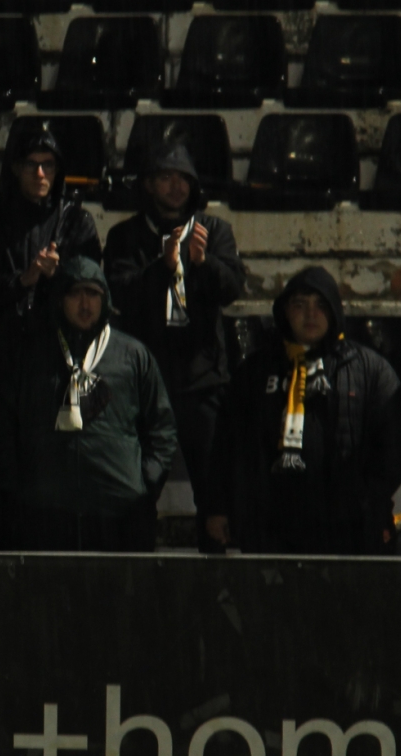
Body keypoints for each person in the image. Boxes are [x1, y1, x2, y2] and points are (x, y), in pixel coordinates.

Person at [205, 267, 401, 555]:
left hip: (347, 529)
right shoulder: (254, 373)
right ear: (284, 313)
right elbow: (226, 446)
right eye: (300, 305)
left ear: (334, 312)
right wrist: (220, 507)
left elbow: (396, 450)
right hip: (270, 527)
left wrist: (365, 502)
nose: (310, 314)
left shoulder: (371, 371)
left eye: (320, 305)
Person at [0, 123, 101, 547]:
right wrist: (24, 279)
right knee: (3, 470)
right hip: (2, 362)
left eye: (48, 166)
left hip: (54, 366)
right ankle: (2, 559)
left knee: (50, 467)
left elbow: (94, 290)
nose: (41, 174)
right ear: (15, 168)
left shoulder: (76, 221)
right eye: (31, 165)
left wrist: (60, 281)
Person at [0, 257, 178, 552]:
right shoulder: (30, 356)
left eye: (93, 294)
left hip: (118, 514)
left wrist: (144, 483)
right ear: (60, 298)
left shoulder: (133, 356)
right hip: (45, 514)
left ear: (105, 299)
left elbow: (161, 426)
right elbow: (1, 424)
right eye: (75, 294)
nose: (85, 305)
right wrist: (19, 483)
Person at [103, 145, 245, 552]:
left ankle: (216, 584)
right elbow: (120, 294)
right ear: (148, 184)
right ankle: (136, 576)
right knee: (138, 489)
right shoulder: (125, 236)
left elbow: (232, 289)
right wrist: (162, 267)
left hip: (202, 380)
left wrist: (202, 263)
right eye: (166, 177)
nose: (176, 186)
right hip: (146, 383)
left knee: (214, 494)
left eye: (184, 178)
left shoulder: (214, 231)